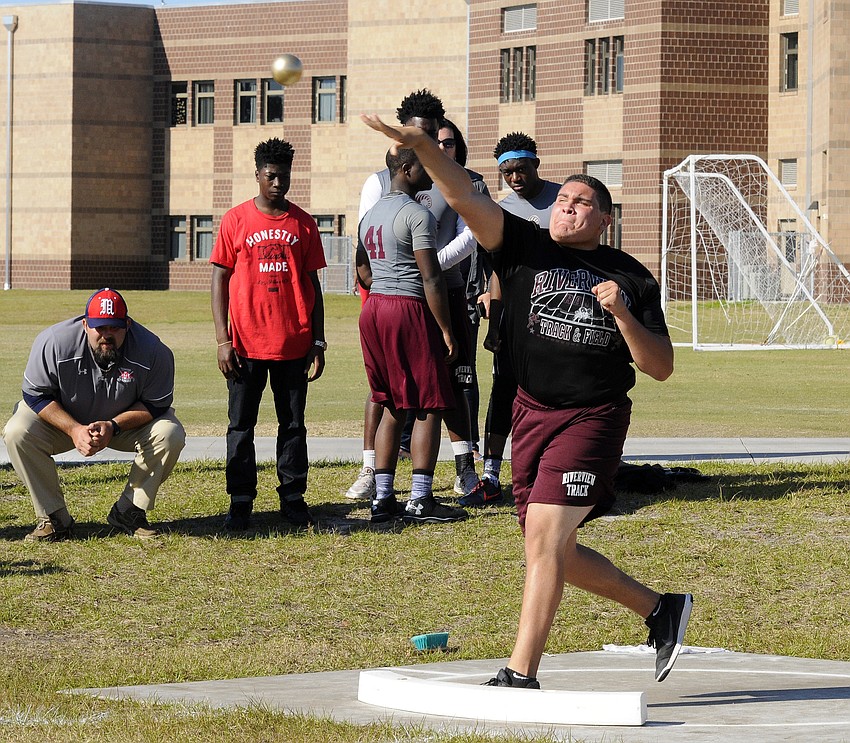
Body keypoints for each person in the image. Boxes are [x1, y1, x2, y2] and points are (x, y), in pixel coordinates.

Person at [361, 113, 693, 687]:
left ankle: (520, 673)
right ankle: (660, 609)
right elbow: (463, 196)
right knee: (551, 548)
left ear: (605, 219)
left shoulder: (632, 278)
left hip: (593, 417)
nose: (567, 207)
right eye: (562, 200)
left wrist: (621, 314)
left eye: (581, 202)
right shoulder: (522, 245)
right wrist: (423, 147)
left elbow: (659, 367)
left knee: (544, 537)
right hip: (530, 413)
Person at [347, 90, 485, 503]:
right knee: (412, 399)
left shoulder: (459, 178)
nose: (429, 148)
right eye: (418, 138)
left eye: (432, 137)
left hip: (434, 289)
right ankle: (398, 485)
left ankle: (461, 470)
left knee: (452, 383)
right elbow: (368, 256)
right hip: (410, 296)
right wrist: (411, 274)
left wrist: (423, 268)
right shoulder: (385, 186)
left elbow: (470, 236)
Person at [3, 288, 186, 541]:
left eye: (114, 327)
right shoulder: (54, 342)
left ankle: (129, 510)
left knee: (170, 433)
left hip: (122, 426)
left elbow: (156, 404)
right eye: (100, 327)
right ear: (85, 324)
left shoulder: (153, 350)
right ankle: (54, 517)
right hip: (64, 421)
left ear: (127, 325)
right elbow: (35, 395)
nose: (106, 335)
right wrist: (73, 429)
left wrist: (113, 426)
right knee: (17, 431)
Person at [211, 137, 326, 531]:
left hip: (293, 344)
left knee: (292, 426)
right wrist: (223, 340)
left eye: (284, 176)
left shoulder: (304, 223)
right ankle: (240, 501)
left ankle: (293, 498)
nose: (278, 183)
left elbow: (313, 286)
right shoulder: (235, 220)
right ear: (257, 175)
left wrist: (318, 341)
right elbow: (219, 280)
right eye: (271, 176)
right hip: (245, 345)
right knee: (240, 427)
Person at [356, 146, 468, 524]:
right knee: (428, 404)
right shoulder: (417, 214)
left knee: (391, 403)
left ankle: (383, 498)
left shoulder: (370, 214)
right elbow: (431, 276)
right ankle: (420, 498)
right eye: (424, 166)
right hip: (407, 307)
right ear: (406, 168)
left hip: (374, 308)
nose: (431, 172)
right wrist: (446, 329)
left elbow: (362, 269)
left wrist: (384, 285)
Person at [463, 133, 561, 506]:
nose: (515, 178)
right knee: (504, 389)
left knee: (555, 391)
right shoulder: (501, 211)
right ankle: (490, 474)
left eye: (521, 169)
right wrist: (494, 327)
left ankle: (556, 466)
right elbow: (498, 274)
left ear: (536, 164)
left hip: (560, 314)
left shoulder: (563, 201)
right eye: (507, 173)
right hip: (517, 317)